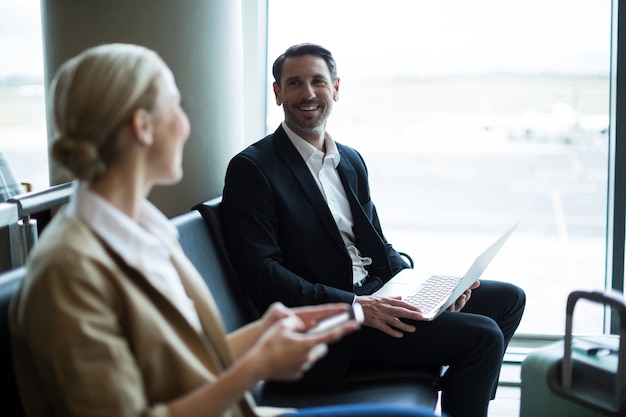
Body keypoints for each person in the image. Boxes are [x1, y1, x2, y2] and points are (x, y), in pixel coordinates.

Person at [9, 44, 440, 417]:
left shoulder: (146, 229)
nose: (185, 124)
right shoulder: (69, 273)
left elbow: (184, 367)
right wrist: (258, 366)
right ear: (142, 127)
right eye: (175, 106)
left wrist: (263, 332)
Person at [221, 43, 526, 417]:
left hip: (375, 295)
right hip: (331, 325)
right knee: (482, 338)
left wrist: (432, 291)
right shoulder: (253, 169)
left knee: (508, 299)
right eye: (295, 83)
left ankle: (466, 394)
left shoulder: (349, 160)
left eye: (318, 81)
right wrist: (356, 306)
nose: (308, 93)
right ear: (277, 92)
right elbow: (261, 275)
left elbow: (378, 246)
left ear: (335, 88)